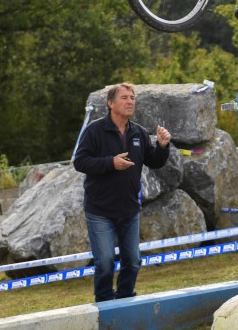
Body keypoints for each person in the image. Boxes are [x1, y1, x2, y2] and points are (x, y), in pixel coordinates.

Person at [73, 83, 172, 302]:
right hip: (100, 211)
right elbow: (79, 162)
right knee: (106, 262)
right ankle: (106, 306)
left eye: (133, 98)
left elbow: (154, 161)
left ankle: (126, 302)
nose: (130, 102)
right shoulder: (95, 130)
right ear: (110, 104)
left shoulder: (138, 132)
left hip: (129, 209)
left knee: (133, 261)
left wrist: (163, 146)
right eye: (124, 97)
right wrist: (111, 163)